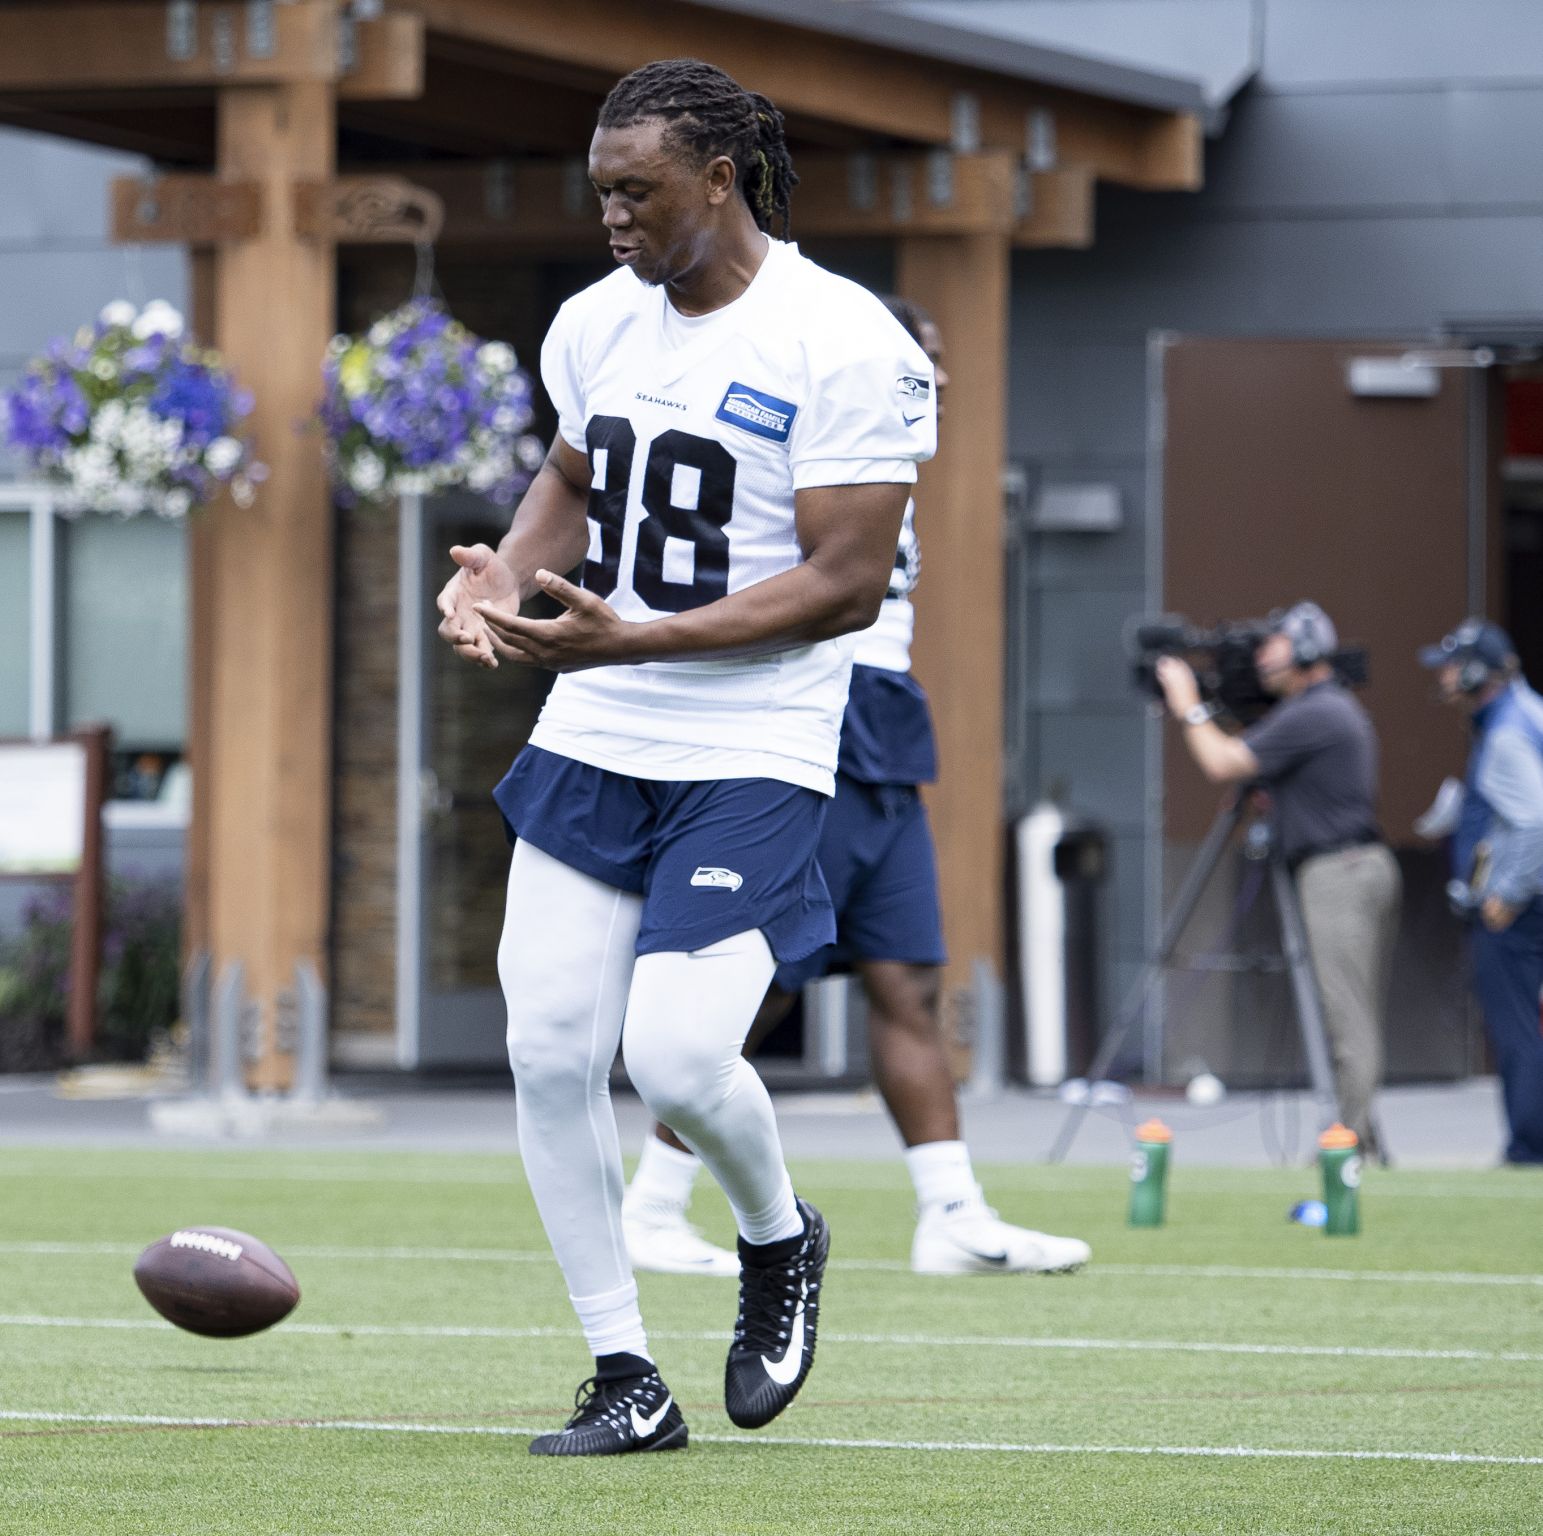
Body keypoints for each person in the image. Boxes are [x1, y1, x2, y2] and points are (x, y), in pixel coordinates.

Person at [435, 59, 930, 1456]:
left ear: (721, 178)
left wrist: (632, 643)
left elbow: (845, 581)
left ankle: (778, 1236)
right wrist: (497, 586)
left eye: (636, 192)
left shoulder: (840, 337)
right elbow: (573, 483)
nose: (613, 219)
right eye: (599, 194)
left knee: (676, 1056)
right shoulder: (598, 325)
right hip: (598, 733)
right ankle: (621, 1373)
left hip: (754, 743)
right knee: (543, 1048)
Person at [620, 298, 1090, 1279]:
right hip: (806, 724)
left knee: (906, 980)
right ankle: (651, 1209)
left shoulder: (892, 470)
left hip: (884, 732)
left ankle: (950, 1213)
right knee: (748, 991)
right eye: (920, 363)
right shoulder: (796, 448)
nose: (939, 383)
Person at [1158, 603, 1399, 1156]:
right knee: (1353, 1015)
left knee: (1347, 1020)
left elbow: (1221, 761)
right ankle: (1359, 1136)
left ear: (1308, 652)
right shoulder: (1323, 710)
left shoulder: (1315, 711)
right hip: (1355, 867)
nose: (1264, 656)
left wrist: (1189, 705)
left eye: (1276, 645)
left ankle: (1348, 1147)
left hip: (1340, 873)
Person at [1422, 619, 1543, 1164]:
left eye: (1452, 665)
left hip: (1519, 909)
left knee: (1518, 1028)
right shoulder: (1528, 711)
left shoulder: (1505, 732)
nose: (1444, 676)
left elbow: (1538, 820)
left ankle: (1528, 1146)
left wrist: (1510, 891)